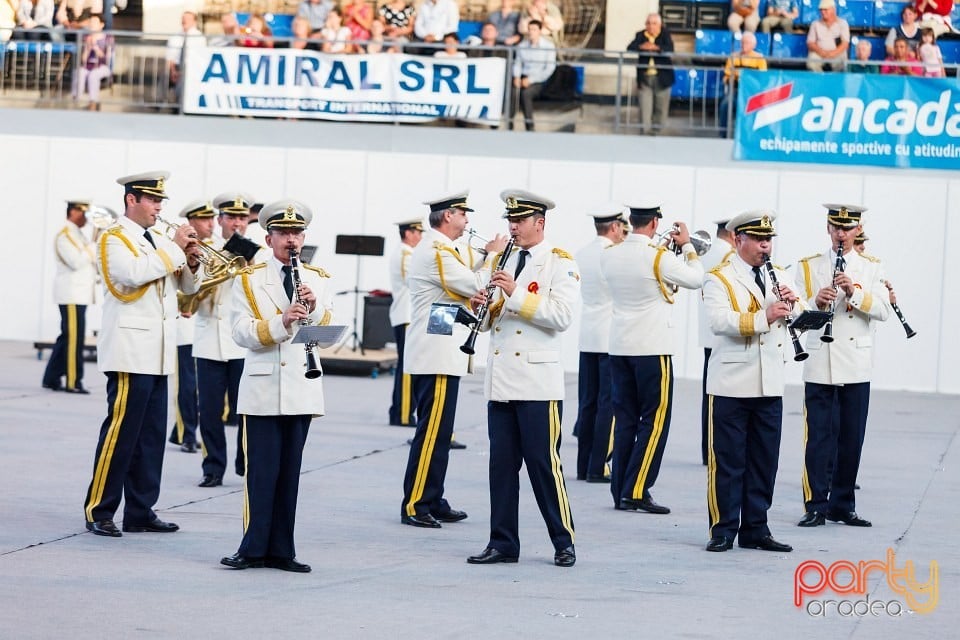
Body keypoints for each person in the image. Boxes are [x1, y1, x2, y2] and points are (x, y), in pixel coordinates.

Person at [82, 171, 201, 538]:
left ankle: (140, 510)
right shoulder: (114, 238)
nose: (159, 207)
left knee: (150, 437)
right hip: (130, 352)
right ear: (131, 200)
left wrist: (193, 262)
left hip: (159, 351)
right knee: (121, 434)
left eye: (161, 201)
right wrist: (176, 249)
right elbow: (131, 276)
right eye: (152, 200)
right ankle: (99, 509)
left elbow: (183, 287)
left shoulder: (159, 241)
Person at [220, 200, 334, 573]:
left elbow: (328, 337)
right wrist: (282, 321)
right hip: (263, 388)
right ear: (268, 238)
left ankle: (283, 550)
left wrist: (313, 310)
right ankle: (252, 549)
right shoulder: (249, 278)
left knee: (289, 474)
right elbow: (241, 332)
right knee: (261, 474)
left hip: (302, 385)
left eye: (297, 233)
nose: (291, 239)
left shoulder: (317, 278)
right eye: (283, 233)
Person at [466, 189, 578, 568]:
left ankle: (564, 541)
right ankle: (502, 542)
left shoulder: (559, 263)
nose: (512, 227)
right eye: (510, 220)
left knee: (544, 465)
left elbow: (561, 317)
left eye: (520, 220)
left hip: (536, 382)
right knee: (501, 467)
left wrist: (514, 294)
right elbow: (489, 323)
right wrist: (478, 307)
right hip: (501, 380)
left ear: (539, 223)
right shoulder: (501, 258)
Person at [400, 191, 503, 529]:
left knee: (440, 433)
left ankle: (433, 496)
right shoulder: (436, 250)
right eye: (463, 214)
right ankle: (416, 503)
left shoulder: (445, 250)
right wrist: (492, 257)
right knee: (431, 433)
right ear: (448, 216)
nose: (467, 220)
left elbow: (452, 293)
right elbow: (474, 282)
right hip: (435, 355)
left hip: (440, 349)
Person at [703, 211, 796, 553]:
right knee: (728, 461)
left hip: (769, 381)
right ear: (738, 239)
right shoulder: (719, 278)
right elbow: (718, 321)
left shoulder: (781, 275)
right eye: (758, 240)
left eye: (768, 239)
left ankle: (756, 527)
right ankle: (723, 528)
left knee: (763, 460)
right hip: (731, 382)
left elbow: (796, 322)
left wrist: (796, 307)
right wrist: (763, 316)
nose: (765, 246)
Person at [601, 205, 704, 514]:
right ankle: (637, 489)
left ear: (631, 221)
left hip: (620, 347)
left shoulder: (611, 254)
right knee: (654, 420)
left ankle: (620, 488)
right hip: (652, 347)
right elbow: (696, 278)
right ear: (655, 221)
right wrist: (686, 245)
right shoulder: (658, 256)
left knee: (625, 420)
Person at [796, 204, 890, 529]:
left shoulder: (871, 267)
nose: (841, 234)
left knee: (851, 438)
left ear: (857, 229)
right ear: (827, 227)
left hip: (856, 364)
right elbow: (796, 318)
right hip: (820, 363)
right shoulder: (809, 266)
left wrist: (855, 292)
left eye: (847, 228)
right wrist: (814, 303)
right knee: (818, 438)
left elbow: (883, 310)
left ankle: (843, 505)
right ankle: (815, 505)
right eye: (836, 227)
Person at [196, 192, 259, 485]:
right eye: (230, 217)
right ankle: (212, 468)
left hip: (241, 342)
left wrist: (247, 262)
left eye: (241, 218)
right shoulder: (204, 248)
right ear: (219, 220)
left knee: (245, 407)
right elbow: (190, 287)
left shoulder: (258, 254)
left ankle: (246, 462)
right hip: (209, 338)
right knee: (209, 411)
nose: (236, 223)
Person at [573, 205, 627, 483]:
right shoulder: (615, 255)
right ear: (615, 227)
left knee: (588, 402)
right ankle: (599, 465)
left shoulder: (582, 253)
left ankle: (583, 465)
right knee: (609, 404)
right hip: (610, 336)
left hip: (588, 334)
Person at [167, 200, 214, 455]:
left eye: (213, 219)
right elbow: (178, 285)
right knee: (186, 384)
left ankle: (183, 430)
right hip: (185, 322)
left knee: (201, 387)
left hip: (207, 326)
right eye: (205, 220)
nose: (212, 224)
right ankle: (186, 433)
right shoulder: (179, 246)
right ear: (191, 222)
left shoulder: (217, 249)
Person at [42, 200, 97, 394]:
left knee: (66, 338)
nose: (86, 218)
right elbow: (76, 262)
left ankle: (51, 378)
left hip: (79, 294)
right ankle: (73, 381)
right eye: (83, 213)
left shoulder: (77, 234)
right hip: (72, 294)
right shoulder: (65, 235)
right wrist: (93, 244)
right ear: (73, 212)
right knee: (75, 340)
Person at [697, 218, 736, 466]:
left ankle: (705, 448)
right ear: (734, 234)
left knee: (708, 395)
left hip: (706, 332)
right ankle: (714, 449)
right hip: (725, 333)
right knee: (725, 398)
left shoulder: (705, 251)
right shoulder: (731, 256)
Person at [387, 217, 424, 427]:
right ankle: (402, 413)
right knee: (408, 366)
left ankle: (401, 411)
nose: (420, 237)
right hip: (407, 315)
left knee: (408, 364)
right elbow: (414, 280)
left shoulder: (407, 253)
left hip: (407, 315)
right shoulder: (406, 254)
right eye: (417, 232)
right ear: (408, 233)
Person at [627, 14, 675, 136]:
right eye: (648, 23)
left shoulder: (665, 34)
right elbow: (630, 47)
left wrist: (656, 48)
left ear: (660, 25)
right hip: (645, 78)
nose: (650, 26)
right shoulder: (641, 35)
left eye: (654, 23)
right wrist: (641, 47)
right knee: (644, 109)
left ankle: (656, 134)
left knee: (660, 109)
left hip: (662, 78)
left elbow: (670, 48)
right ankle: (645, 134)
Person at [509, 20, 556, 131]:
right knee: (513, 91)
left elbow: (549, 69)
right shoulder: (522, 46)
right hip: (523, 77)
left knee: (526, 94)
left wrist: (531, 80)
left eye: (534, 29)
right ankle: (509, 124)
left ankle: (530, 126)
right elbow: (518, 63)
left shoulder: (548, 46)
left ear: (540, 31)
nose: (531, 32)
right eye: (529, 29)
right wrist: (516, 76)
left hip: (539, 80)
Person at [719, 30, 767, 136]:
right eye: (742, 42)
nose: (744, 45)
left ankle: (750, 135)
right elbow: (727, 75)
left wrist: (742, 74)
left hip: (752, 91)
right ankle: (723, 134)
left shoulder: (759, 58)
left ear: (753, 45)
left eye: (747, 43)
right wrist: (734, 76)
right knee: (725, 105)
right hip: (736, 90)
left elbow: (762, 77)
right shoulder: (733, 56)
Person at [73, 13, 112, 110]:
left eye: (94, 22)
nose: (91, 24)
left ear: (101, 25)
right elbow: (83, 60)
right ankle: (77, 100)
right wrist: (87, 47)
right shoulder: (86, 38)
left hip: (102, 66)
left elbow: (106, 58)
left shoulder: (108, 38)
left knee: (93, 75)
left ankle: (93, 103)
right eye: (90, 22)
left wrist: (95, 46)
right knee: (79, 72)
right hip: (88, 65)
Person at [164, 11, 203, 102]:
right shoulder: (175, 37)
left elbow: (198, 58)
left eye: (188, 19)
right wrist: (173, 70)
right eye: (183, 19)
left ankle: (178, 103)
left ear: (194, 22)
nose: (184, 21)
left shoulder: (199, 38)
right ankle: (158, 100)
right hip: (176, 66)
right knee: (165, 74)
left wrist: (182, 71)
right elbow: (170, 56)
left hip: (191, 67)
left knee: (185, 78)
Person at [806, 0, 850, 72]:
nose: (823, 12)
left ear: (833, 10)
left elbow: (845, 44)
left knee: (842, 62)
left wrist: (832, 53)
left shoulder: (843, 23)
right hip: (819, 53)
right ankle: (819, 80)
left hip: (837, 53)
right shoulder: (815, 24)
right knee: (811, 62)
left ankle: (835, 81)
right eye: (821, 10)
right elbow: (810, 43)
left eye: (825, 10)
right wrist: (822, 52)